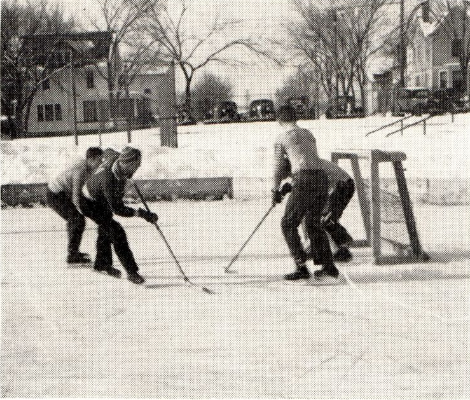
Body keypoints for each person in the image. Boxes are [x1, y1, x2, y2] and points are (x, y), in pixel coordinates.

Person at [272, 105, 339, 281]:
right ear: (295, 118)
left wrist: (275, 189)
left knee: (287, 223)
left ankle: (301, 266)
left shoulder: (281, 138)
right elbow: (304, 158)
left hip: (304, 180)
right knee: (313, 223)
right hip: (321, 178)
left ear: (279, 120)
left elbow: (280, 167)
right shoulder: (308, 134)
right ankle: (328, 267)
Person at [81, 146, 158, 285]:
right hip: (88, 202)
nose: (139, 167)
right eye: (137, 164)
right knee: (117, 232)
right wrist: (142, 214)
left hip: (99, 197)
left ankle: (101, 264)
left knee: (106, 229)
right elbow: (118, 209)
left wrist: (127, 175)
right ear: (128, 163)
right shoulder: (108, 180)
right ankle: (131, 272)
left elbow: (109, 151)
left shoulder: (119, 160)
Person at [46, 147, 103, 264]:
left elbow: (78, 191)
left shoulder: (88, 167)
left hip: (64, 192)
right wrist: (80, 210)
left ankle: (74, 251)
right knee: (77, 219)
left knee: (80, 217)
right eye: (99, 160)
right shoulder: (81, 169)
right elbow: (76, 195)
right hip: (55, 195)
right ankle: (72, 255)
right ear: (91, 159)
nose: (100, 162)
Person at [302, 158, 355, 262]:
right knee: (321, 218)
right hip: (338, 187)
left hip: (344, 186)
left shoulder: (305, 168)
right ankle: (342, 241)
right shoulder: (303, 165)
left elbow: (321, 188)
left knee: (324, 220)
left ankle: (342, 248)